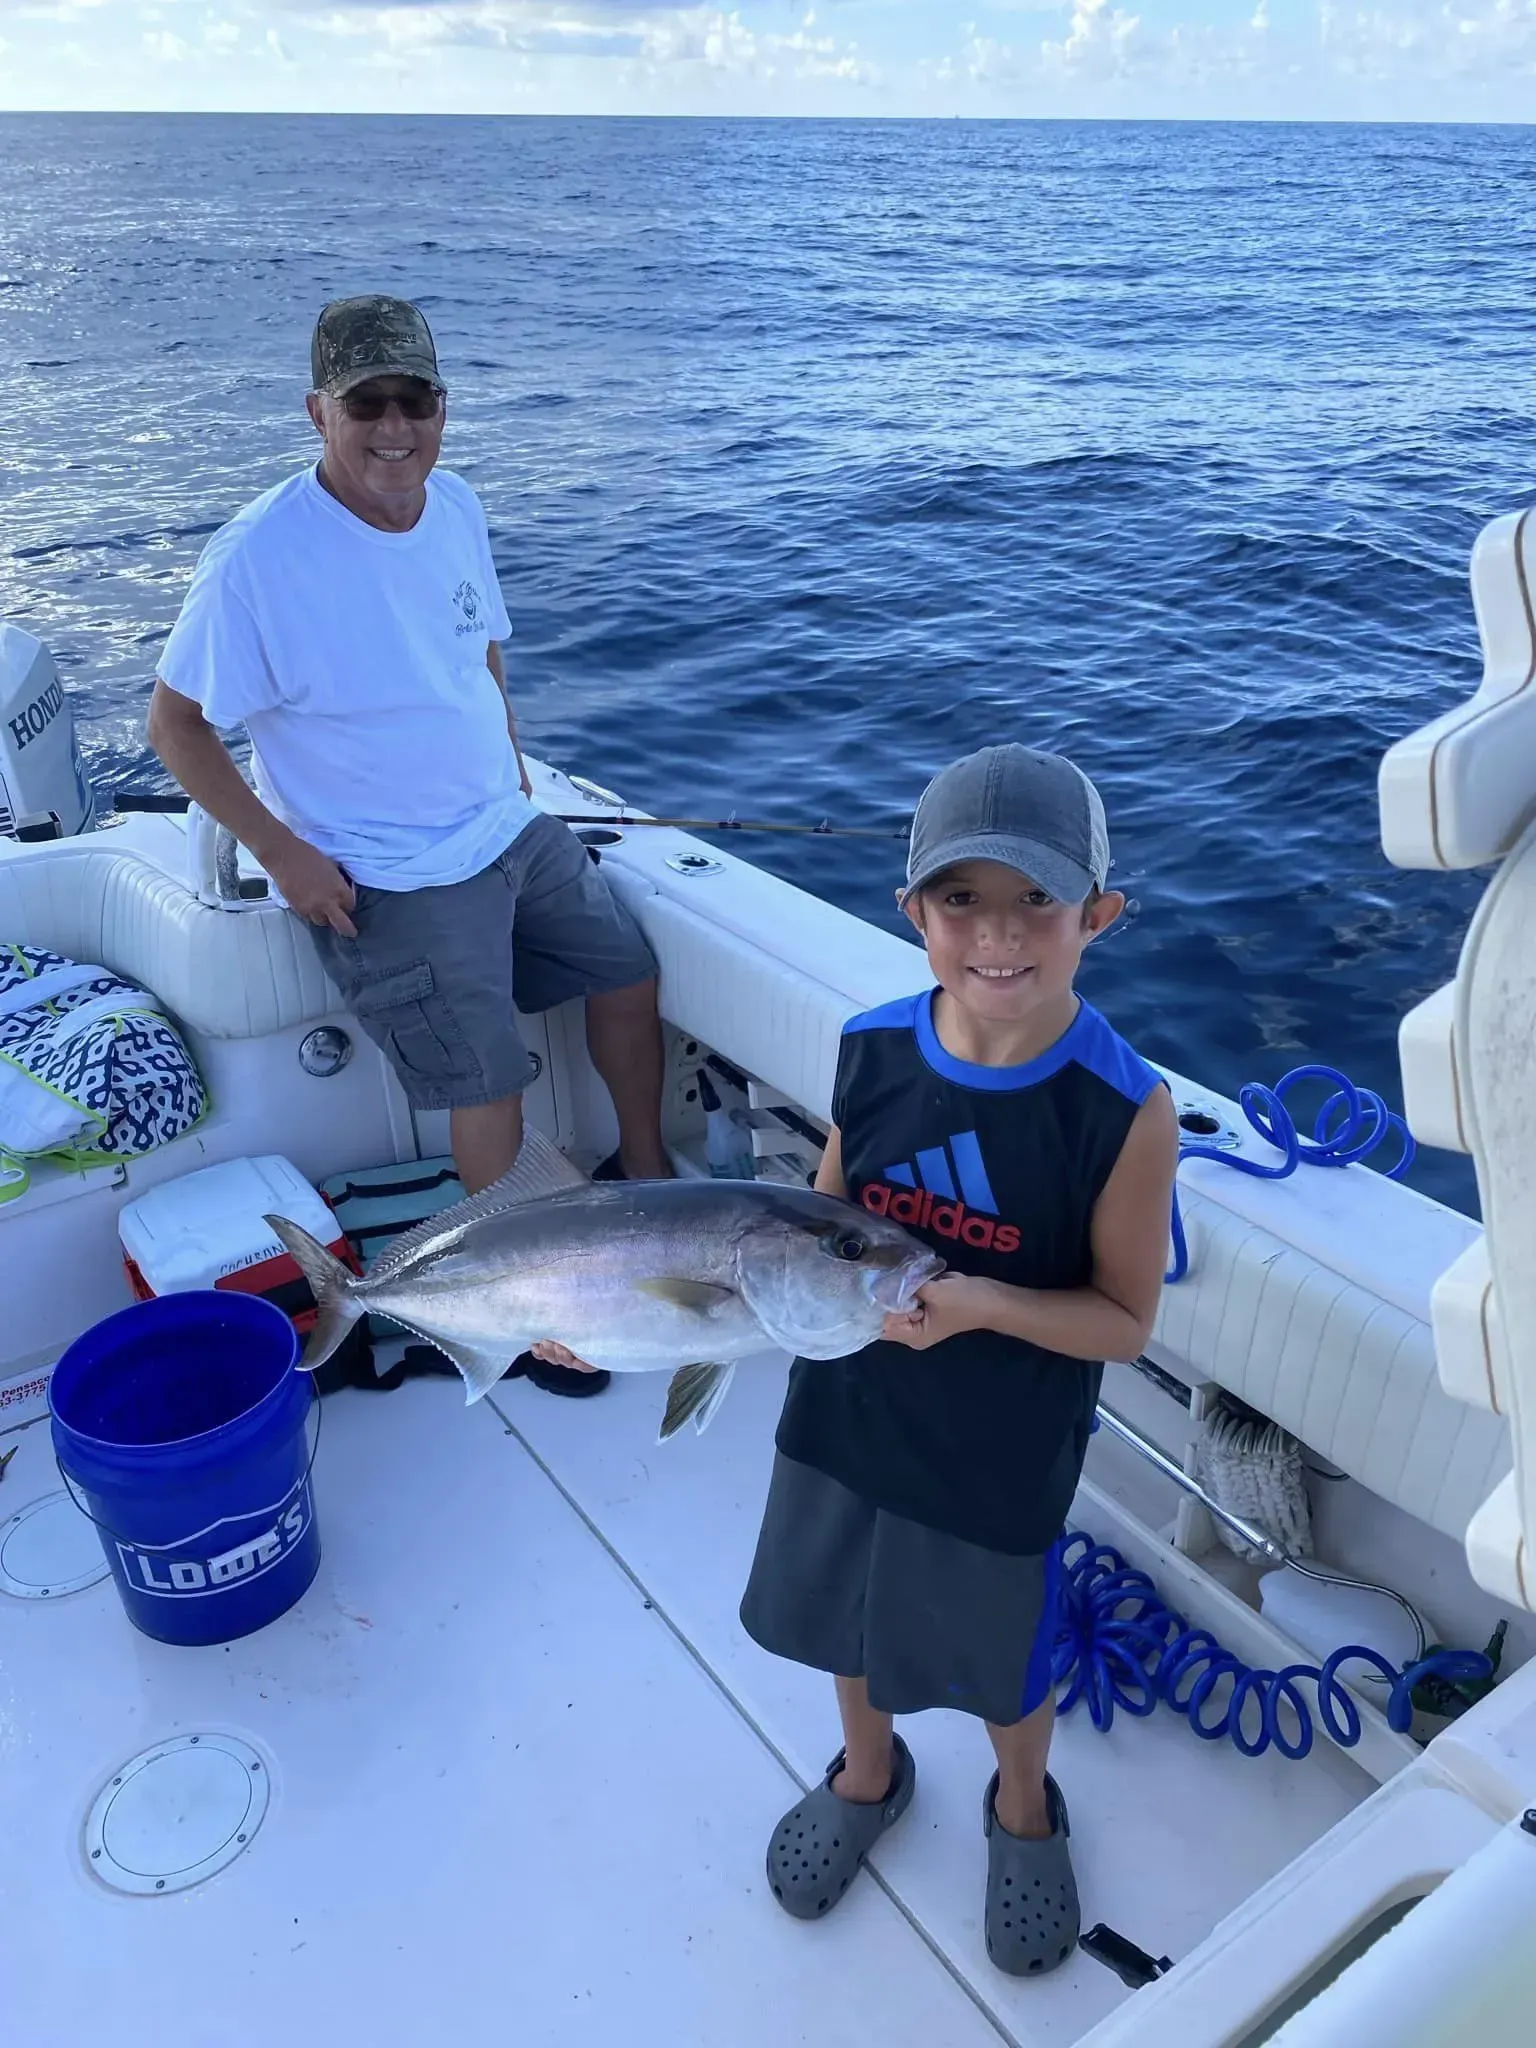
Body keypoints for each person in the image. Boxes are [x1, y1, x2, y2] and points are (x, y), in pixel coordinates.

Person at [147, 294, 673, 1401]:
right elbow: (175, 726)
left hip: (504, 825)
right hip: (387, 870)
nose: (396, 427)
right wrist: (284, 852)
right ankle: (527, 1318)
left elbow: (479, 649)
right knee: (489, 1085)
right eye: (367, 403)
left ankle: (648, 1173)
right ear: (318, 412)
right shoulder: (256, 558)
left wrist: (512, 757)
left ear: (444, 406)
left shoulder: (457, 503)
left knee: (627, 970)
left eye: (416, 399)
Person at [735, 742, 1178, 1975]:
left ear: (1100, 913)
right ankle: (868, 1771)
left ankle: (1023, 1803)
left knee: (1000, 1651)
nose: (999, 933)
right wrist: (617, 1316)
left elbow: (1123, 1321)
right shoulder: (871, 1047)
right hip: (847, 1404)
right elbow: (813, 1226)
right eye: (961, 898)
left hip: (1001, 1442)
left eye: (1037, 898)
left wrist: (984, 1303)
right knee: (843, 1612)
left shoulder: (1122, 1110)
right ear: (911, 910)